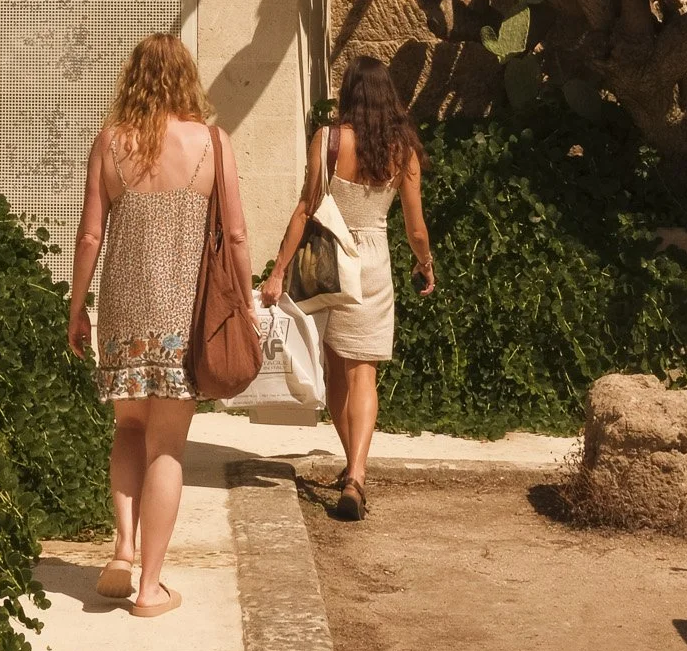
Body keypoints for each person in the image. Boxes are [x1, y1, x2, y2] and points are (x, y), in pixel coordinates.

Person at [67, 32, 248, 618]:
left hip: (123, 310)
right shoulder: (213, 144)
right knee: (166, 447)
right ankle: (149, 588)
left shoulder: (110, 142)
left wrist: (77, 306)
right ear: (187, 79)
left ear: (134, 79)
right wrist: (245, 302)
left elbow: (90, 234)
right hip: (182, 319)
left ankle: (123, 547)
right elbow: (236, 235)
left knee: (128, 429)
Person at [262, 55, 434, 520]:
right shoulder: (403, 150)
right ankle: (356, 473)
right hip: (372, 265)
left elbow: (305, 208)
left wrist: (278, 271)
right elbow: (415, 228)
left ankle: (351, 465)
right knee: (364, 374)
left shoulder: (329, 140)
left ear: (350, 94)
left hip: (328, 264)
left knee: (336, 370)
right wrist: (425, 263)